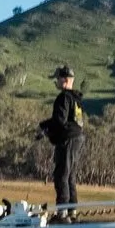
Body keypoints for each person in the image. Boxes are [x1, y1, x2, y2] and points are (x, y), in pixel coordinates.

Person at [39, 66, 85, 210]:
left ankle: (62, 212)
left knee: (61, 175)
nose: (56, 81)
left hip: (68, 139)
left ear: (65, 80)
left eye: (58, 78)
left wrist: (44, 127)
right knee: (70, 176)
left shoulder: (64, 97)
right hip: (77, 138)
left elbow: (59, 121)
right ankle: (71, 211)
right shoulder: (76, 99)